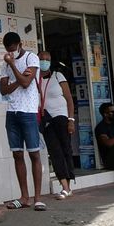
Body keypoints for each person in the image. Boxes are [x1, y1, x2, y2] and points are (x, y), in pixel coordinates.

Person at [0, 33, 44, 210]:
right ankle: (24, 197)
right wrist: (18, 78)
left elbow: (27, 83)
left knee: (34, 153)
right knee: (17, 154)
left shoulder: (31, 58)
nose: (11, 53)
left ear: (20, 44)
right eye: (8, 51)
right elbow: (3, 90)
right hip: (12, 112)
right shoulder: (5, 65)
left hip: (29, 111)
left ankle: (37, 197)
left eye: (13, 49)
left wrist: (13, 67)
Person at [38, 50, 78, 199]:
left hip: (61, 117)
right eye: (41, 59)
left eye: (47, 59)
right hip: (46, 120)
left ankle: (68, 184)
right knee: (55, 152)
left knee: (66, 150)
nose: (44, 61)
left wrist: (71, 120)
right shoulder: (35, 79)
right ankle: (65, 187)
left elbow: (69, 99)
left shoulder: (57, 76)